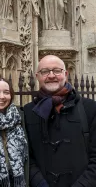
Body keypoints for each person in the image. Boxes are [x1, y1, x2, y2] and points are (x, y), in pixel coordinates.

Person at [24, 55, 96, 187]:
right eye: (45, 71)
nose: (51, 75)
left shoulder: (89, 108)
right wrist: (40, 183)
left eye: (56, 70)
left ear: (66, 74)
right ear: (37, 76)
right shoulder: (28, 112)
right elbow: (26, 156)